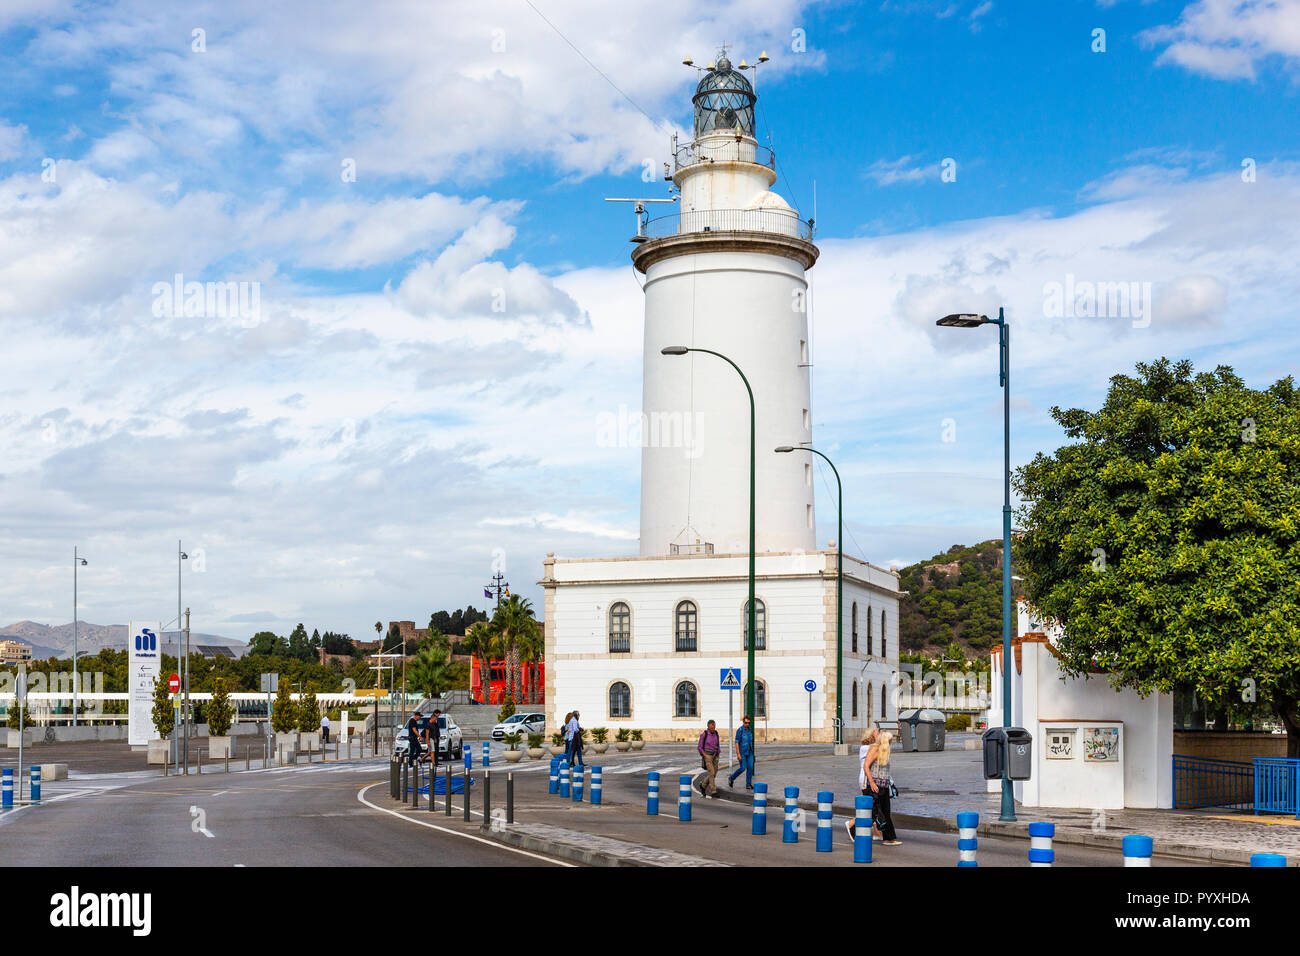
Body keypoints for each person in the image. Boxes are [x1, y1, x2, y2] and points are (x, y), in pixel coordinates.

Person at [846, 729, 900, 845]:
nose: (891, 743)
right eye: (889, 741)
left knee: (885, 812)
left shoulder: (884, 751)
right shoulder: (875, 748)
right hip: (874, 786)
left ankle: (888, 838)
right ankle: (853, 827)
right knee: (872, 812)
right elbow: (866, 766)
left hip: (883, 786)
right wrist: (872, 782)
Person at [727, 714, 755, 790]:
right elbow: (736, 742)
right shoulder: (740, 730)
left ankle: (748, 784)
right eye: (746, 723)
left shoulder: (750, 730)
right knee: (743, 768)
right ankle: (731, 778)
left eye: (748, 723)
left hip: (749, 752)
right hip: (742, 752)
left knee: (750, 767)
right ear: (743, 722)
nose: (747, 724)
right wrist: (738, 754)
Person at [697, 719, 721, 798]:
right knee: (711, 773)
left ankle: (703, 785)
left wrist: (718, 753)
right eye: (711, 728)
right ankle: (713, 791)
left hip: (715, 755)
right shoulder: (704, 734)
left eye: (713, 728)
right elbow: (699, 747)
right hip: (707, 756)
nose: (712, 729)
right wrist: (705, 755)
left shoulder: (716, 733)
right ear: (708, 727)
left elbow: (718, 744)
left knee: (714, 773)